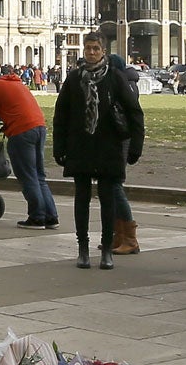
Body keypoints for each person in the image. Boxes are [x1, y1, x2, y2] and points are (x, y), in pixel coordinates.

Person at [53, 32, 145, 270]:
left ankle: (106, 249)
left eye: (96, 48)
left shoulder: (115, 77)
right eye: (88, 48)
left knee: (107, 198)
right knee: (81, 198)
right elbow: (61, 115)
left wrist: (136, 146)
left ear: (103, 51)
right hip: (81, 144)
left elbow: (134, 111)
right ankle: (82, 248)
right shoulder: (74, 79)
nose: (91, 52)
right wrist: (59, 147)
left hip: (108, 144)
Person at [0, 66, 58, 227]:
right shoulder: (17, 83)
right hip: (39, 127)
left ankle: (37, 216)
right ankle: (51, 216)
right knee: (39, 175)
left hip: (21, 131)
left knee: (27, 174)